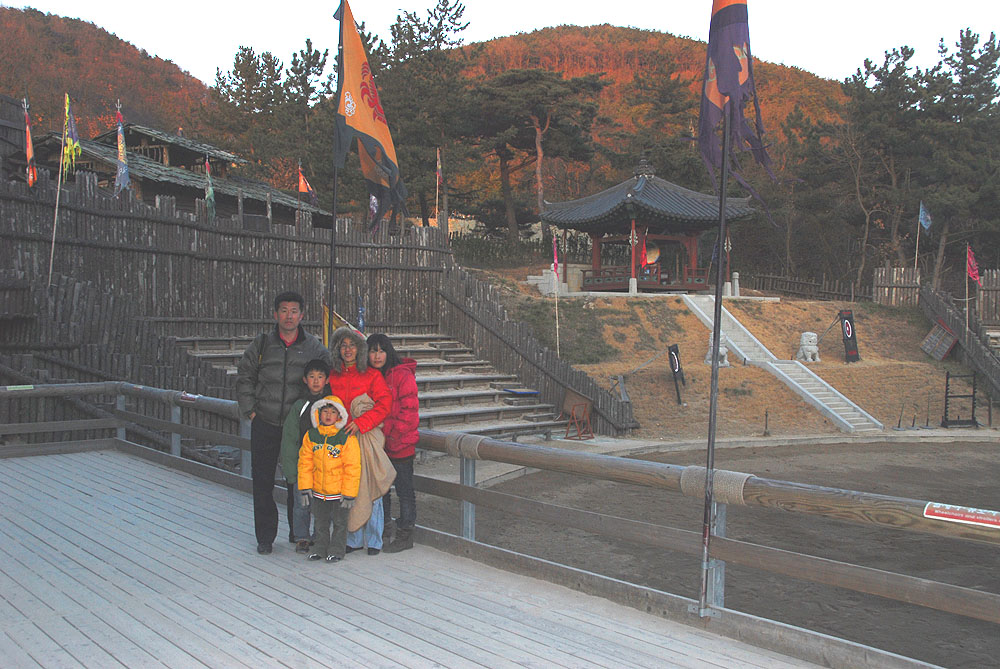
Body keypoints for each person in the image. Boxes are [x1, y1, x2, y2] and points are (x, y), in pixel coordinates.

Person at [236, 291, 330, 555]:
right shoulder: (262, 344)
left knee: (296, 480)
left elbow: (328, 376)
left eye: (294, 311)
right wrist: (250, 411)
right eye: (284, 310)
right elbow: (245, 376)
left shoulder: (313, 347)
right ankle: (265, 537)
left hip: (297, 425)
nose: (289, 316)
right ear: (276, 314)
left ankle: (297, 532)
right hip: (264, 420)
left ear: (302, 315)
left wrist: (314, 412)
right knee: (262, 481)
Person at [328, 326, 393, 555]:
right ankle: (353, 537)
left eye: (352, 345)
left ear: (359, 349)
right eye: (343, 346)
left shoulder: (372, 375)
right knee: (348, 487)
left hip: (365, 437)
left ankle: (374, 539)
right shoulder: (333, 376)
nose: (348, 350)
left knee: (371, 487)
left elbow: (384, 404)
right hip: (341, 440)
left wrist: (362, 422)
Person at [366, 333, 419, 553]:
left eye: (381, 351)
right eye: (373, 351)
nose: (377, 356)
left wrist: (390, 434)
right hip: (380, 445)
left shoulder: (402, 375)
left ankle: (406, 534)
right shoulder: (370, 376)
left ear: (389, 353)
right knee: (382, 490)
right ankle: (384, 528)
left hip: (400, 443)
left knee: (404, 491)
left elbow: (409, 412)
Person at [297, 396, 360, 563]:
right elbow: (305, 463)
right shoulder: (311, 435)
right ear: (318, 413)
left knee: (340, 523)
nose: (328, 415)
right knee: (320, 522)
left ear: (339, 415)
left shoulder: (346, 437)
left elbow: (352, 467)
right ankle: (320, 548)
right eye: (325, 411)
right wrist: (305, 487)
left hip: (340, 491)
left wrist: (349, 493)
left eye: (333, 412)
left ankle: (337, 550)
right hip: (319, 489)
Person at [279, 358, 329, 553]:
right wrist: (290, 469)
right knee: (302, 503)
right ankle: (301, 537)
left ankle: (320, 535)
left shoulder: (331, 405)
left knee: (322, 503)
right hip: (304, 464)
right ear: (305, 379)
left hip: (325, 464)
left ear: (326, 380)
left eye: (320, 377)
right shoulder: (299, 406)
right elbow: (290, 438)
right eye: (312, 377)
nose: (316, 381)